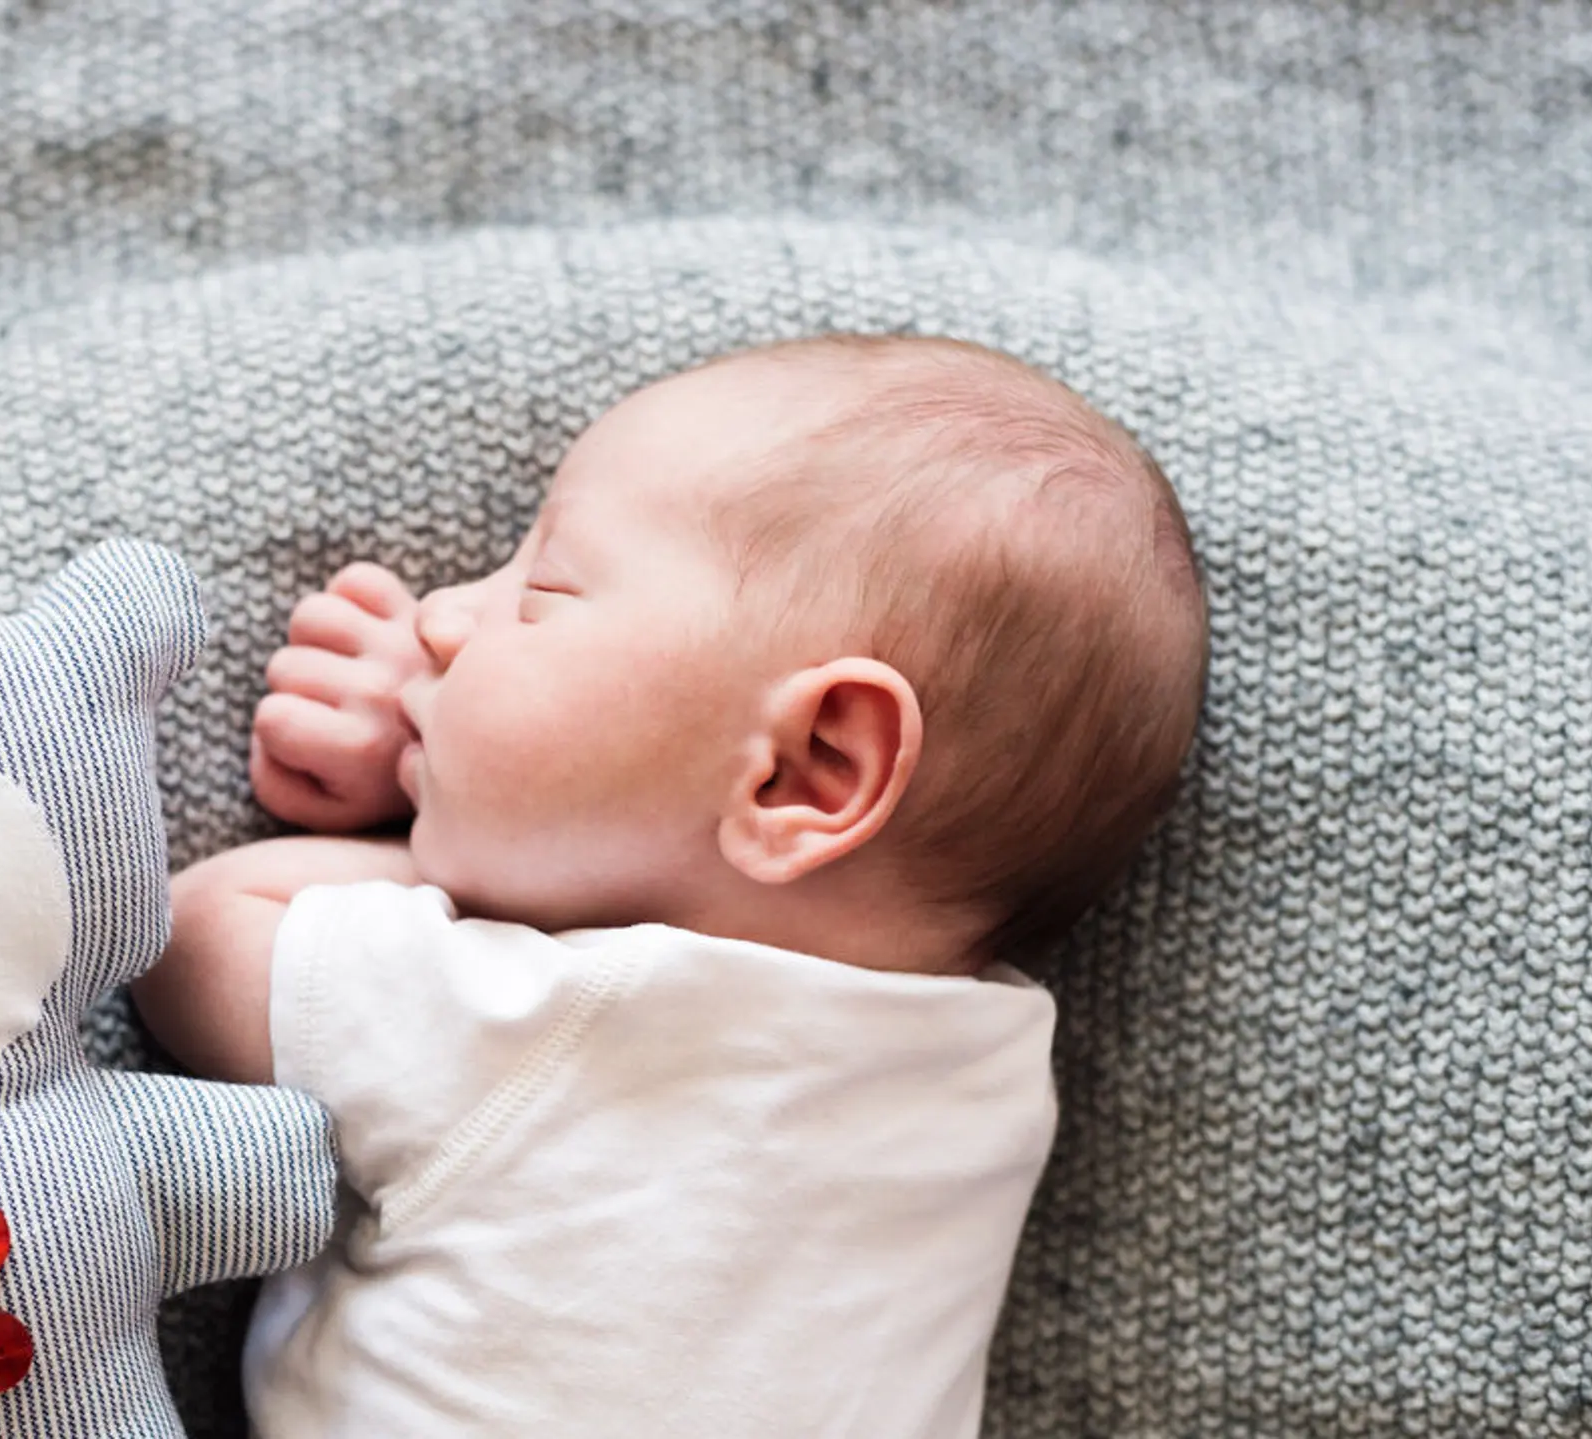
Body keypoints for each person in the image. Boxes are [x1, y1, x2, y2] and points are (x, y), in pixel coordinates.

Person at [131, 333, 1210, 1437]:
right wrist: (458, 759)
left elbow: (191, 934)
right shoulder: (989, 1083)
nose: (442, 618)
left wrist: (423, 800)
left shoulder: (548, 1016)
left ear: (807, 770)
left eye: (542, 590)